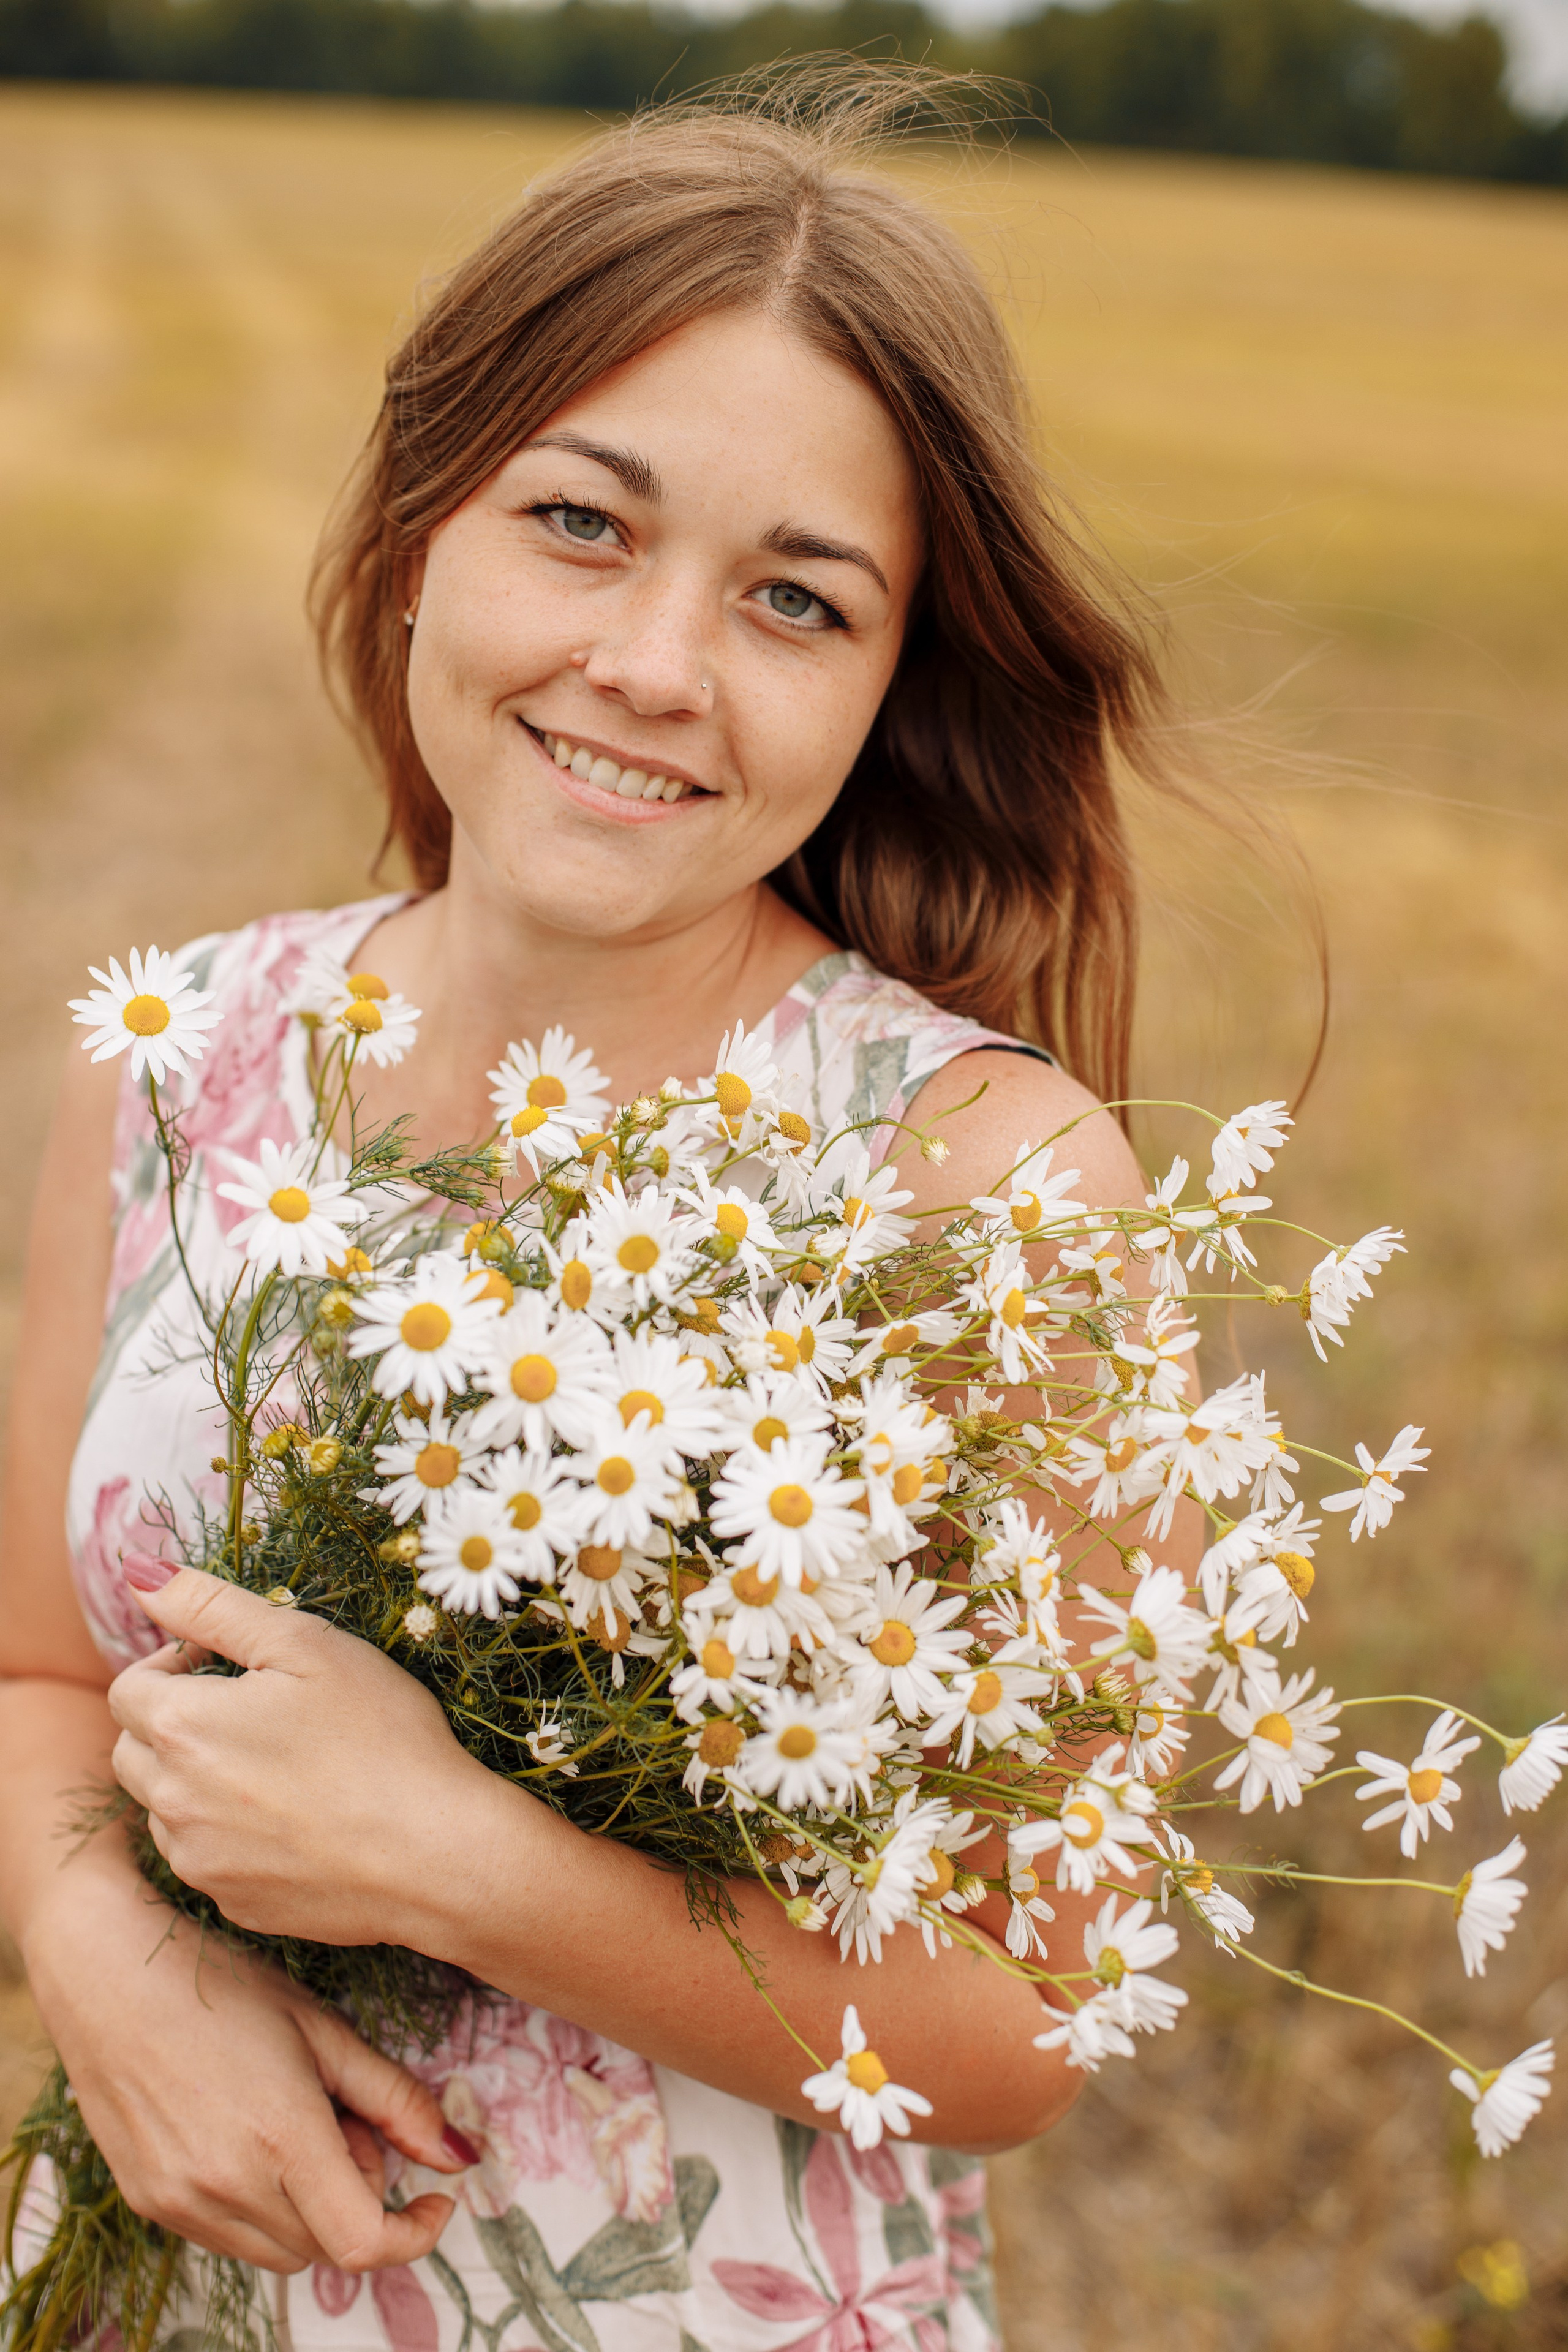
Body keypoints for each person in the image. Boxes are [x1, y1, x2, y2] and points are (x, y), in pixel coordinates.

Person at [0, 74, 1189, 2352]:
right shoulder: (173, 1060)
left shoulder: (977, 1184)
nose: (654, 663)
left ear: (888, 683)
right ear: (425, 516)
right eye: (579, 522)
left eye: (796, 598)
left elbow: (1043, 2011)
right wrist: (112, 1956)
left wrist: (455, 1859)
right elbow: (49, 1673)